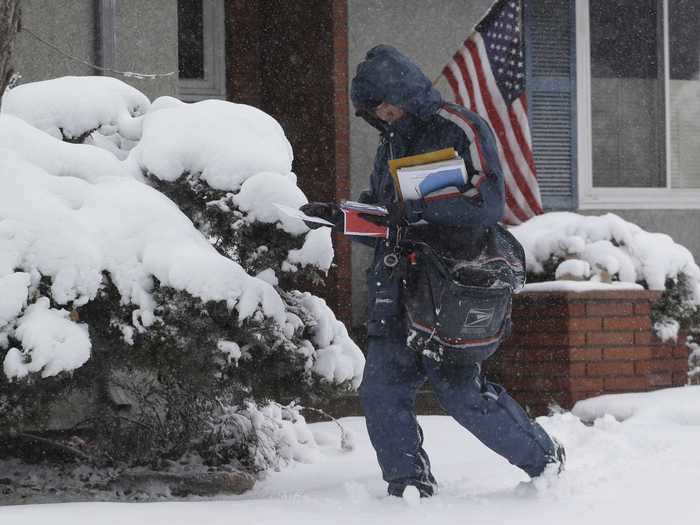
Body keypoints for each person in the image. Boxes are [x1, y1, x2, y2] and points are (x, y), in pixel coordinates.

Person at [300, 45, 564, 498]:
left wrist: (419, 205)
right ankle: (409, 487)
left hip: (451, 283)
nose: (382, 112)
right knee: (383, 393)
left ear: (405, 89)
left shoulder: (461, 127)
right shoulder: (391, 140)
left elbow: (489, 201)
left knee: (460, 393)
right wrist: (340, 217)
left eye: (386, 100)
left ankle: (545, 461)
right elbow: (388, 216)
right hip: (396, 284)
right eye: (373, 108)